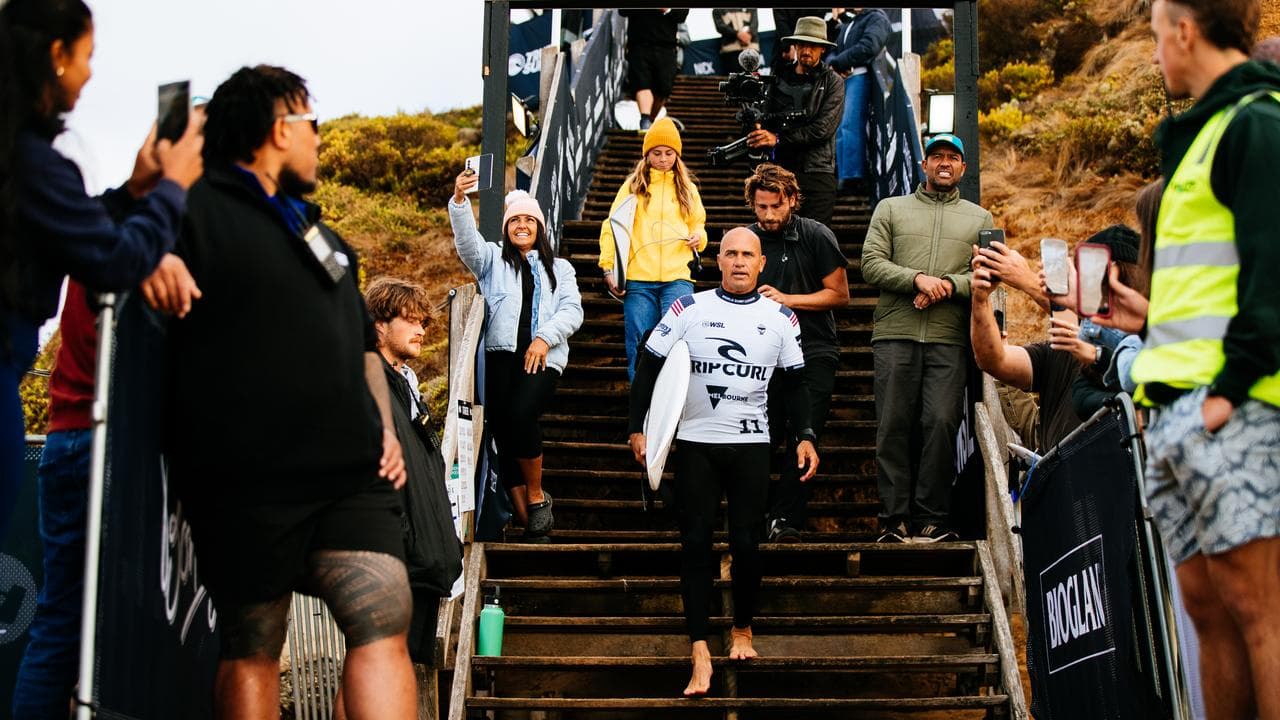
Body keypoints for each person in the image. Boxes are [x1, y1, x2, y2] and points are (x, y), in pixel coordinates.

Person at [166, 64, 415, 717]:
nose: (319, 138)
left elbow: (364, 345)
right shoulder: (192, 209)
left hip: (350, 469)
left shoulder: (321, 234)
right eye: (311, 123)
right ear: (280, 128)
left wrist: (384, 428)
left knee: (385, 611)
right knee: (254, 641)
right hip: (248, 477)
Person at [1105, 2, 1280, 715]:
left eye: (1155, 37)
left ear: (1185, 30)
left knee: (1259, 611)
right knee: (1207, 613)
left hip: (1230, 405)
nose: (1154, 56)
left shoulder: (1258, 123)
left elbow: (1272, 274)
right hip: (1174, 406)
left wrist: (1226, 392)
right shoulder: (1199, 136)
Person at [0, 0, 203, 547]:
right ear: (56, 54)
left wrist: (137, 190)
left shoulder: (21, 159)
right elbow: (115, 261)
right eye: (87, 55)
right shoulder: (32, 159)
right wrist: (172, 187)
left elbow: (85, 234)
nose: (90, 73)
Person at [628, 227, 819, 697]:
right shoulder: (688, 308)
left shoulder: (781, 318)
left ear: (761, 265)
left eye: (747, 255)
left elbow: (796, 384)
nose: (738, 261)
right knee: (694, 544)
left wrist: (806, 436)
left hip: (752, 446)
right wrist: (639, 427)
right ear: (718, 260)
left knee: (747, 544)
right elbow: (650, 365)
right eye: (730, 253)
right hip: (695, 445)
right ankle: (698, 650)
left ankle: (742, 631)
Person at [860, 133, 991, 543]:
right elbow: (870, 263)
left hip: (949, 336)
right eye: (937, 157)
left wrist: (948, 286)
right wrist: (917, 279)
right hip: (895, 332)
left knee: (941, 423)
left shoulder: (980, 218)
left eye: (953, 157)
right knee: (893, 425)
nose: (945, 163)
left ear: (963, 168)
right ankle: (893, 518)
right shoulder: (891, 208)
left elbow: (989, 274)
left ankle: (932, 517)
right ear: (924, 165)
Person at [450, 178, 583, 540]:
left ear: (539, 228)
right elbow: (466, 244)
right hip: (499, 358)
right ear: (507, 228)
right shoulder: (492, 259)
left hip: (543, 358)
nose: (521, 226)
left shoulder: (562, 269)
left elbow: (573, 311)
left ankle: (537, 495)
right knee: (502, 433)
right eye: (514, 221)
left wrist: (544, 338)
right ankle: (527, 519)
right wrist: (461, 201)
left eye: (529, 221)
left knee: (522, 415)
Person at [741, 163, 848, 542]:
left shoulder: (816, 235)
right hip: (758, 353)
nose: (769, 215)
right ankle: (754, 516)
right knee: (758, 436)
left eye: (776, 206)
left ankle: (785, 519)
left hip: (813, 348)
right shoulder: (747, 242)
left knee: (805, 434)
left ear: (792, 200)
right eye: (761, 207)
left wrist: (787, 300)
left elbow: (840, 294)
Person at [971, 226, 1144, 453]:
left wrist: (1027, 281)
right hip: (1062, 481)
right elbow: (994, 360)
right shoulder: (1065, 344)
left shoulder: (1144, 345)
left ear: (1115, 275)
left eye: (1086, 274)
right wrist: (981, 300)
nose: (1078, 286)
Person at [364, 277, 463, 668]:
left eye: (424, 321)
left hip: (422, 560)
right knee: (376, 667)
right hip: (397, 559)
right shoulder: (370, 385)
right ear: (379, 326)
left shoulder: (407, 388)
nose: (422, 329)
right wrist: (402, 536)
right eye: (410, 320)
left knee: (396, 668)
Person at [598, 116, 707, 381]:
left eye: (669, 153)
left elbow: (699, 225)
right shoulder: (633, 187)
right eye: (656, 153)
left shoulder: (687, 189)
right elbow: (612, 227)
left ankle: (673, 408)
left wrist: (698, 238)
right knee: (640, 343)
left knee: (677, 341)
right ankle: (641, 407)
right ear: (646, 155)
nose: (663, 158)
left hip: (678, 278)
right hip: (639, 279)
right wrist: (608, 266)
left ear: (677, 155)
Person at [747, 16, 845, 227]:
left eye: (813, 45)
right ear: (795, 46)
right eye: (801, 44)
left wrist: (778, 138)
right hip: (780, 171)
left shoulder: (832, 82)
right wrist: (757, 127)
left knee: (813, 237)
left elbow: (823, 129)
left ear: (823, 50)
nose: (806, 50)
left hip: (817, 172)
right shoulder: (778, 77)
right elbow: (764, 116)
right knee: (778, 236)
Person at [825, 8, 890, 194]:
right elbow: (834, 48)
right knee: (840, 127)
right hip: (842, 79)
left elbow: (869, 45)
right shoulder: (849, 22)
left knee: (850, 125)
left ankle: (853, 176)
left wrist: (838, 62)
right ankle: (844, 175)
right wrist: (833, 63)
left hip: (859, 76)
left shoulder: (876, 17)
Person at [618, 9, 689, 130]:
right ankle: (645, 119)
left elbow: (681, 15)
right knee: (642, 82)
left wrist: (666, 9)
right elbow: (623, 11)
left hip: (666, 47)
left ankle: (650, 119)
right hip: (639, 44)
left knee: (663, 89)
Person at [712, 9, 759, 75]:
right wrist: (737, 34)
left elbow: (754, 24)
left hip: (751, 48)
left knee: (754, 79)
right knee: (734, 80)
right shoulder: (717, 10)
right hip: (730, 51)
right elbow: (720, 26)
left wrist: (748, 35)